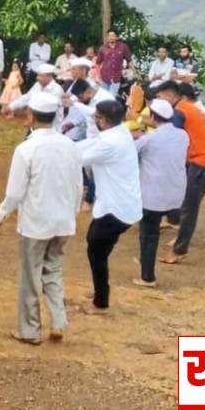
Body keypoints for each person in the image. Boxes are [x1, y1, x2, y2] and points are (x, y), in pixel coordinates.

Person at [0, 91, 82, 345]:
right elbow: (78, 185)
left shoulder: (27, 149)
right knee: (53, 269)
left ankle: (30, 330)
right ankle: (58, 321)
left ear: (31, 116)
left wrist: (0, 217)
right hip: (63, 221)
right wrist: (72, 214)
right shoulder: (69, 146)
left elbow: (14, 193)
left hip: (36, 223)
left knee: (30, 276)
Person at [77, 100, 142, 314]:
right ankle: (99, 290)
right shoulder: (119, 132)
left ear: (103, 121)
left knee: (96, 251)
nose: (94, 119)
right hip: (120, 205)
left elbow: (79, 157)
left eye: (96, 116)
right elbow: (88, 145)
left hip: (116, 208)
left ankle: (100, 302)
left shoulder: (110, 143)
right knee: (95, 244)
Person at [154, 81, 205, 264]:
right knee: (186, 201)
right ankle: (179, 237)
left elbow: (170, 133)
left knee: (189, 205)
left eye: (160, 97)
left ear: (170, 96)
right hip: (204, 160)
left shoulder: (180, 111)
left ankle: (180, 249)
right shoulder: (184, 108)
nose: (158, 100)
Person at [134, 99, 189, 287]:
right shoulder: (183, 135)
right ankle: (173, 222)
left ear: (153, 117)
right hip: (176, 193)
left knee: (149, 233)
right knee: (156, 225)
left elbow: (133, 154)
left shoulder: (148, 139)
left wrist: (137, 136)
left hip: (152, 195)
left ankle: (147, 276)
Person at [5, 63, 65, 131]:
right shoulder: (37, 85)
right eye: (37, 75)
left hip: (51, 129)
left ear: (49, 76)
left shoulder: (57, 90)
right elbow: (27, 97)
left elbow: (46, 110)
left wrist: (30, 118)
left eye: (40, 76)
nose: (37, 78)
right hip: (36, 125)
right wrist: (11, 106)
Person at [96, 31, 132, 96]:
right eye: (109, 36)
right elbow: (97, 63)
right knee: (104, 98)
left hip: (116, 78)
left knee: (111, 97)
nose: (111, 37)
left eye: (113, 35)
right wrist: (98, 77)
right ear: (107, 37)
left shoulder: (123, 47)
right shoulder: (102, 48)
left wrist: (135, 72)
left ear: (116, 37)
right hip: (104, 78)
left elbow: (129, 61)